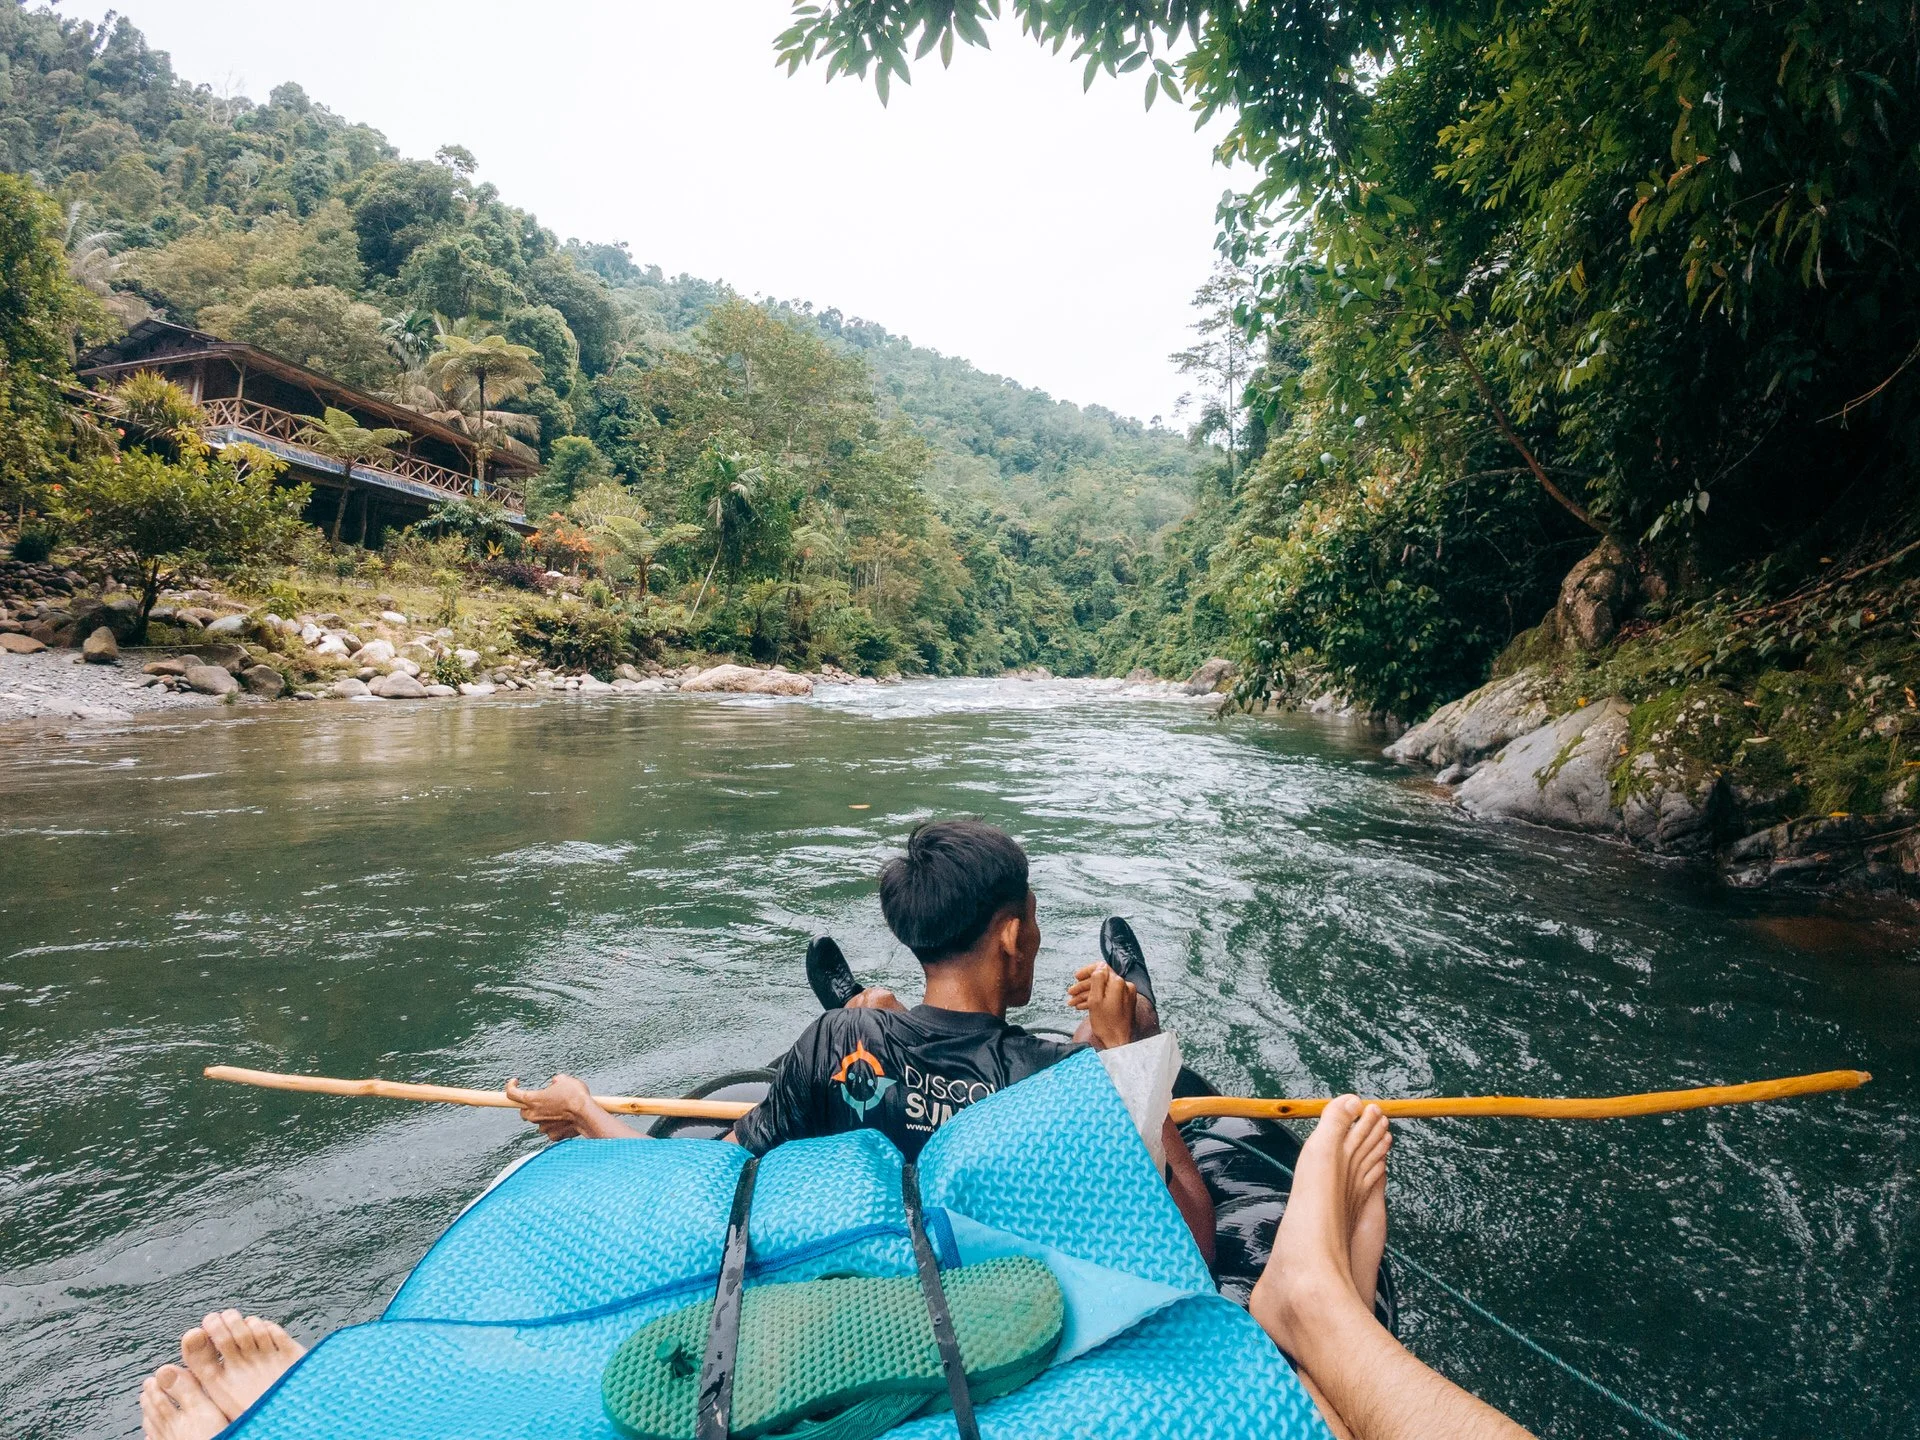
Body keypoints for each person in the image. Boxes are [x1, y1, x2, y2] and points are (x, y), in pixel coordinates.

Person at [505, 818, 1221, 1258]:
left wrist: (587, 1113)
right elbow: (1192, 1240)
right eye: (1031, 919)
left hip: (857, 1080)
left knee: (868, 1012)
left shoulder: (829, 1044)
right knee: (1098, 1031)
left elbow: (703, 1183)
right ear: (1012, 935)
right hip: (990, 1302)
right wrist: (1127, 1059)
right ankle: (1144, 1012)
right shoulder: (1060, 1077)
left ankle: (866, 999)